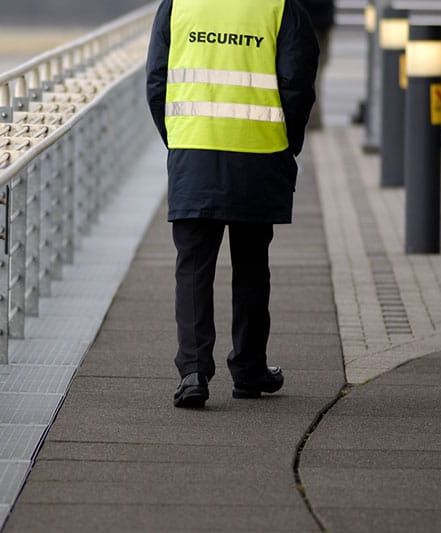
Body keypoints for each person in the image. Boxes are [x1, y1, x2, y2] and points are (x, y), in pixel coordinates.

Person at [146, 0, 318, 408]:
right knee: (252, 267)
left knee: (192, 267)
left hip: (194, 151)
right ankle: (249, 370)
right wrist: (286, 145)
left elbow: (156, 82)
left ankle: (193, 372)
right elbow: (297, 84)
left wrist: (179, 140)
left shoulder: (178, 5)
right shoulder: (280, 6)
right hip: (258, 152)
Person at [299, 0, 336, 129]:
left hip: (306, 19)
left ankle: (309, 117)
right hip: (321, 20)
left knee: (307, 72)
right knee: (316, 72)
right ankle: (313, 118)